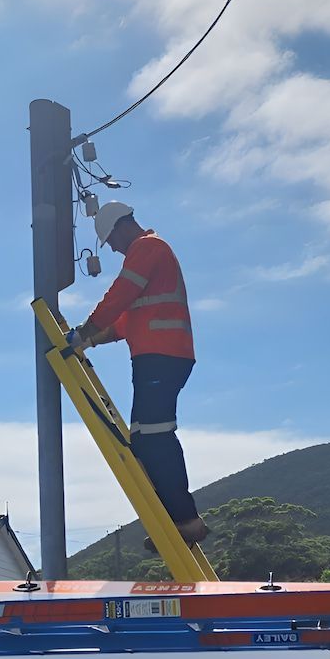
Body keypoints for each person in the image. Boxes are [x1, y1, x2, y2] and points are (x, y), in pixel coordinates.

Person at [69, 201, 208, 545]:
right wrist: (93, 339)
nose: (113, 248)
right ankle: (177, 519)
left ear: (120, 227)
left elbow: (121, 295)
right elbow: (126, 320)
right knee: (148, 437)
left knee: (154, 436)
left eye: (110, 241)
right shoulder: (151, 254)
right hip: (158, 356)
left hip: (161, 356)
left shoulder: (147, 248)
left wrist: (86, 331)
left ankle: (186, 520)